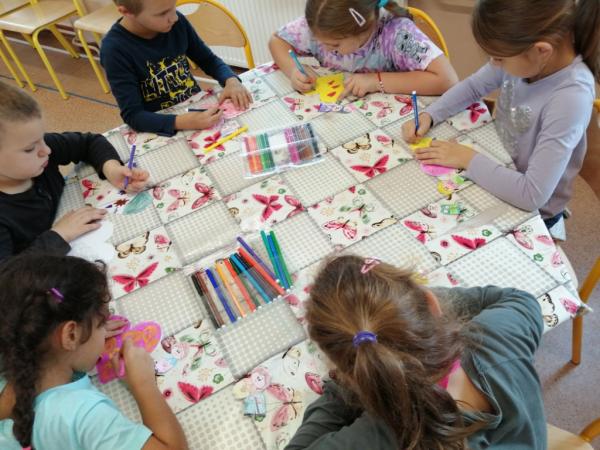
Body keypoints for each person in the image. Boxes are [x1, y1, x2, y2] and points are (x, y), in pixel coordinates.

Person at [286, 255, 546, 450]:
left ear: (347, 371)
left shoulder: (374, 436)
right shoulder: (499, 337)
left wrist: (344, 386)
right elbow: (520, 300)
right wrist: (411, 306)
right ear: (433, 303)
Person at [403, 0, 599, 232]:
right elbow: (474, 86)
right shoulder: (528, 56)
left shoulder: (571, 98)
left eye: (499, 58)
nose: (494, 63)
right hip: (497, 163)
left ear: (541, 51)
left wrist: (467, 159)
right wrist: (431, 114)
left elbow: (532, 194)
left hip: (534, 212)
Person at [0, 254, 188, 450]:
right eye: (102, 323)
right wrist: (143, 384)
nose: (105, 330)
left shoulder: (11, 352)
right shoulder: (82, 414)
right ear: (71, 335)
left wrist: (88, 332)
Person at [0, 81, 149, 265]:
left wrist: (111, 169)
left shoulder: (40, 150)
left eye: (42, 138)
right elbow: (8, 276)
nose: (46, 150)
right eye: (30, 149)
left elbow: (89, 142)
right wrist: (59, 235)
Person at [101, 0, 252, 135]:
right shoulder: (114, 50)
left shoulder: (176, 23)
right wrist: (184, 122)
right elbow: (133, 115)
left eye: (173, 6)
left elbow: (208, 59)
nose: (174, 17)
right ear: (126, 12)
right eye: (162, 13)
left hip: (194, 107)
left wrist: (231, 80)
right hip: (159, 125)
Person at [269, 0, 458, 98]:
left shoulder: (396, 33)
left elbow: (447, 80)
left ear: (363, 27)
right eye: (318, 40)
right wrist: (293, 70)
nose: (322, 47)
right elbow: (276, 41)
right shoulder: (320, 25)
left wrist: (375, 81)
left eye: (334, 45)